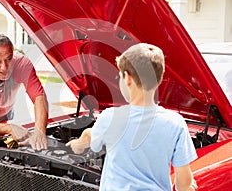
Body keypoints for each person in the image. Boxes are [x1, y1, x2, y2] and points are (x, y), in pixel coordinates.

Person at [66, 43, 198, 191]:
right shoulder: (175, 123)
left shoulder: (110, 118)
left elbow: (90, 138)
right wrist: (187, 186)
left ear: (127, 78)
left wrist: (78, 144)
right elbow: (183, 183)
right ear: (159, 79)